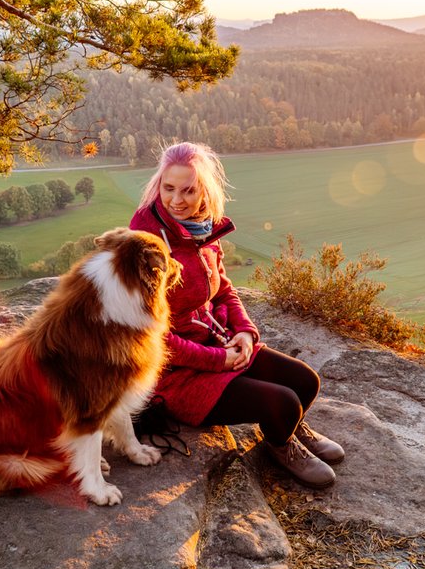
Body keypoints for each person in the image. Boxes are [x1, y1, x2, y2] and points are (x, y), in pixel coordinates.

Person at [129, 141, 344, 488]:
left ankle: (288, 425)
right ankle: (281, 443)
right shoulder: (145, 244)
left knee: (305, 381)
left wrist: (245, 331)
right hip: (177, 373)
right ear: (158, 185)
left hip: (222, 344)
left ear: (204, 192)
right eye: (168, 188)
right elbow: (150, 334)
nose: (177, 200)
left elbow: (224, 289)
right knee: (283, 400)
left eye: (188, 190)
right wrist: (220, 360)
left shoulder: (201, 229)